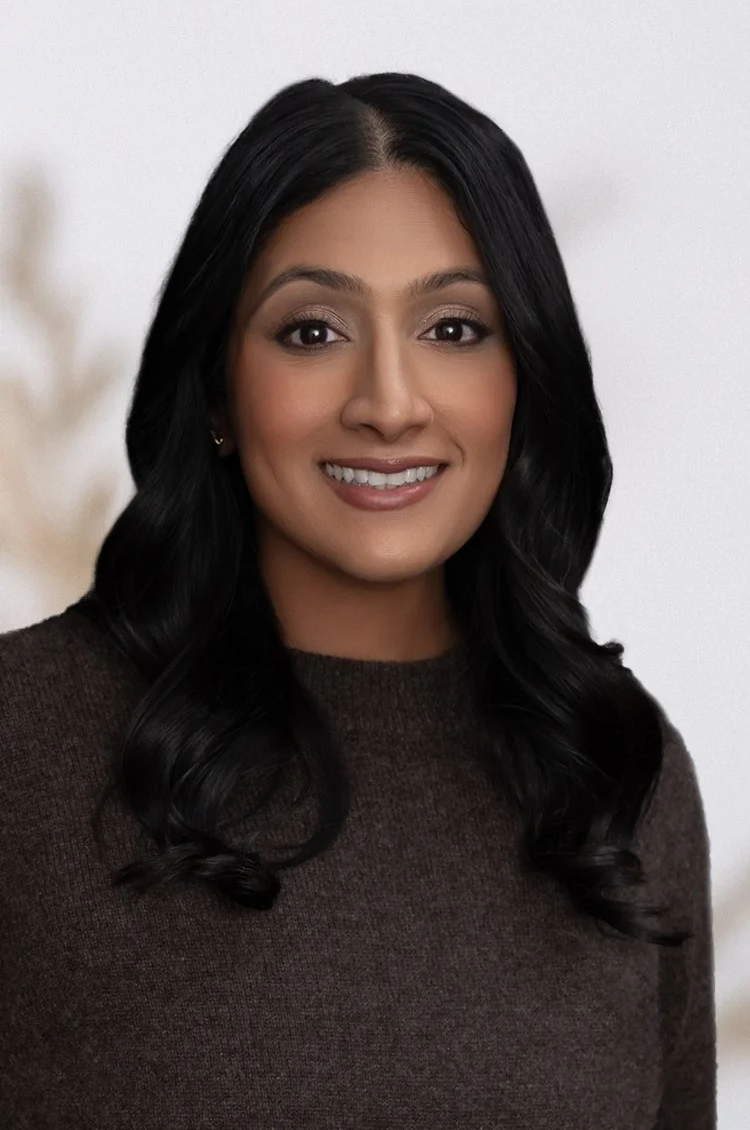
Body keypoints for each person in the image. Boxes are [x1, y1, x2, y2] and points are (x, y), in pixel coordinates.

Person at [0, 73, 715, 1128]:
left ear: (527, 377)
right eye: (314, 332)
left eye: (456, 328)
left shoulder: (616, 770)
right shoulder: (22, 742)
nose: (388, 402)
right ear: (215, 392)